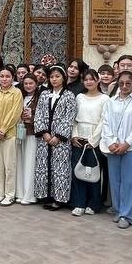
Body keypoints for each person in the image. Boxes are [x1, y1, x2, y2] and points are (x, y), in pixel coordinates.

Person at [100, 70, 132, 229]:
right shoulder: (111, 101)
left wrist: (126, 143)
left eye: (128, 83)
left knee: (129, 182)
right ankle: (119, 209)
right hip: (113, 147)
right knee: (115, 181)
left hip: (131, 148)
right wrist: (111, 142)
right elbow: (106, 123)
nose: (124, 86)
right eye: (121, 83)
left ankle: (127, 215)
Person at [34, 65, 77, 211]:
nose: (54, 79)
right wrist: (44, 133)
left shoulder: (69, 96)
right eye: (52, 76)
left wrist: (58, 136)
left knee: (60, 169)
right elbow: (39, 114)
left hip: (60, 141)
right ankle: (46, 196)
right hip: (44, 139)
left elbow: (69, 117)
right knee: (44, 167)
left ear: (63, 78)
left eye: (57, 76)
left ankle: (59, 199)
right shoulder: (44, 94)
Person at [69, 68, 108, 216]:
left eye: (92, 79)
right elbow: (73, 118)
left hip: (94, 140)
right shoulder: (79, 97)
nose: (89, 82)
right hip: (79, 138)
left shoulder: (105, 99)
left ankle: (93, 203)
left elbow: (104, 121)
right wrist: (74, 135)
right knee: (78, 171)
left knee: (92, 172)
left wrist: (93, 141)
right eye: (86, 80)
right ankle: (79, 203)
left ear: (97, 80)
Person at [0, 66, 23, 205]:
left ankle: (10, 195)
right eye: (2, 76)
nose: (4, 79)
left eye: (7, 76)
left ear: (12, 78)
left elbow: (15, 113)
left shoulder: (16, 92)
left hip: (9, 134)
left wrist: (3, 129)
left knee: (9, 166)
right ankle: (0, 193)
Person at [16, 73, 41, 205]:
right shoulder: (20, 96)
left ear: (36, 84)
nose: (28, 86)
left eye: (31, 83)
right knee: (20, 162)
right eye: (26, 83)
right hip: (20, 133)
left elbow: (43, 116)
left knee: (30, 163)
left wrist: (32, 117)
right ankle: (20, 192)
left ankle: (29, 195)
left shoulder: (40, 98)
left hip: (32, 134)